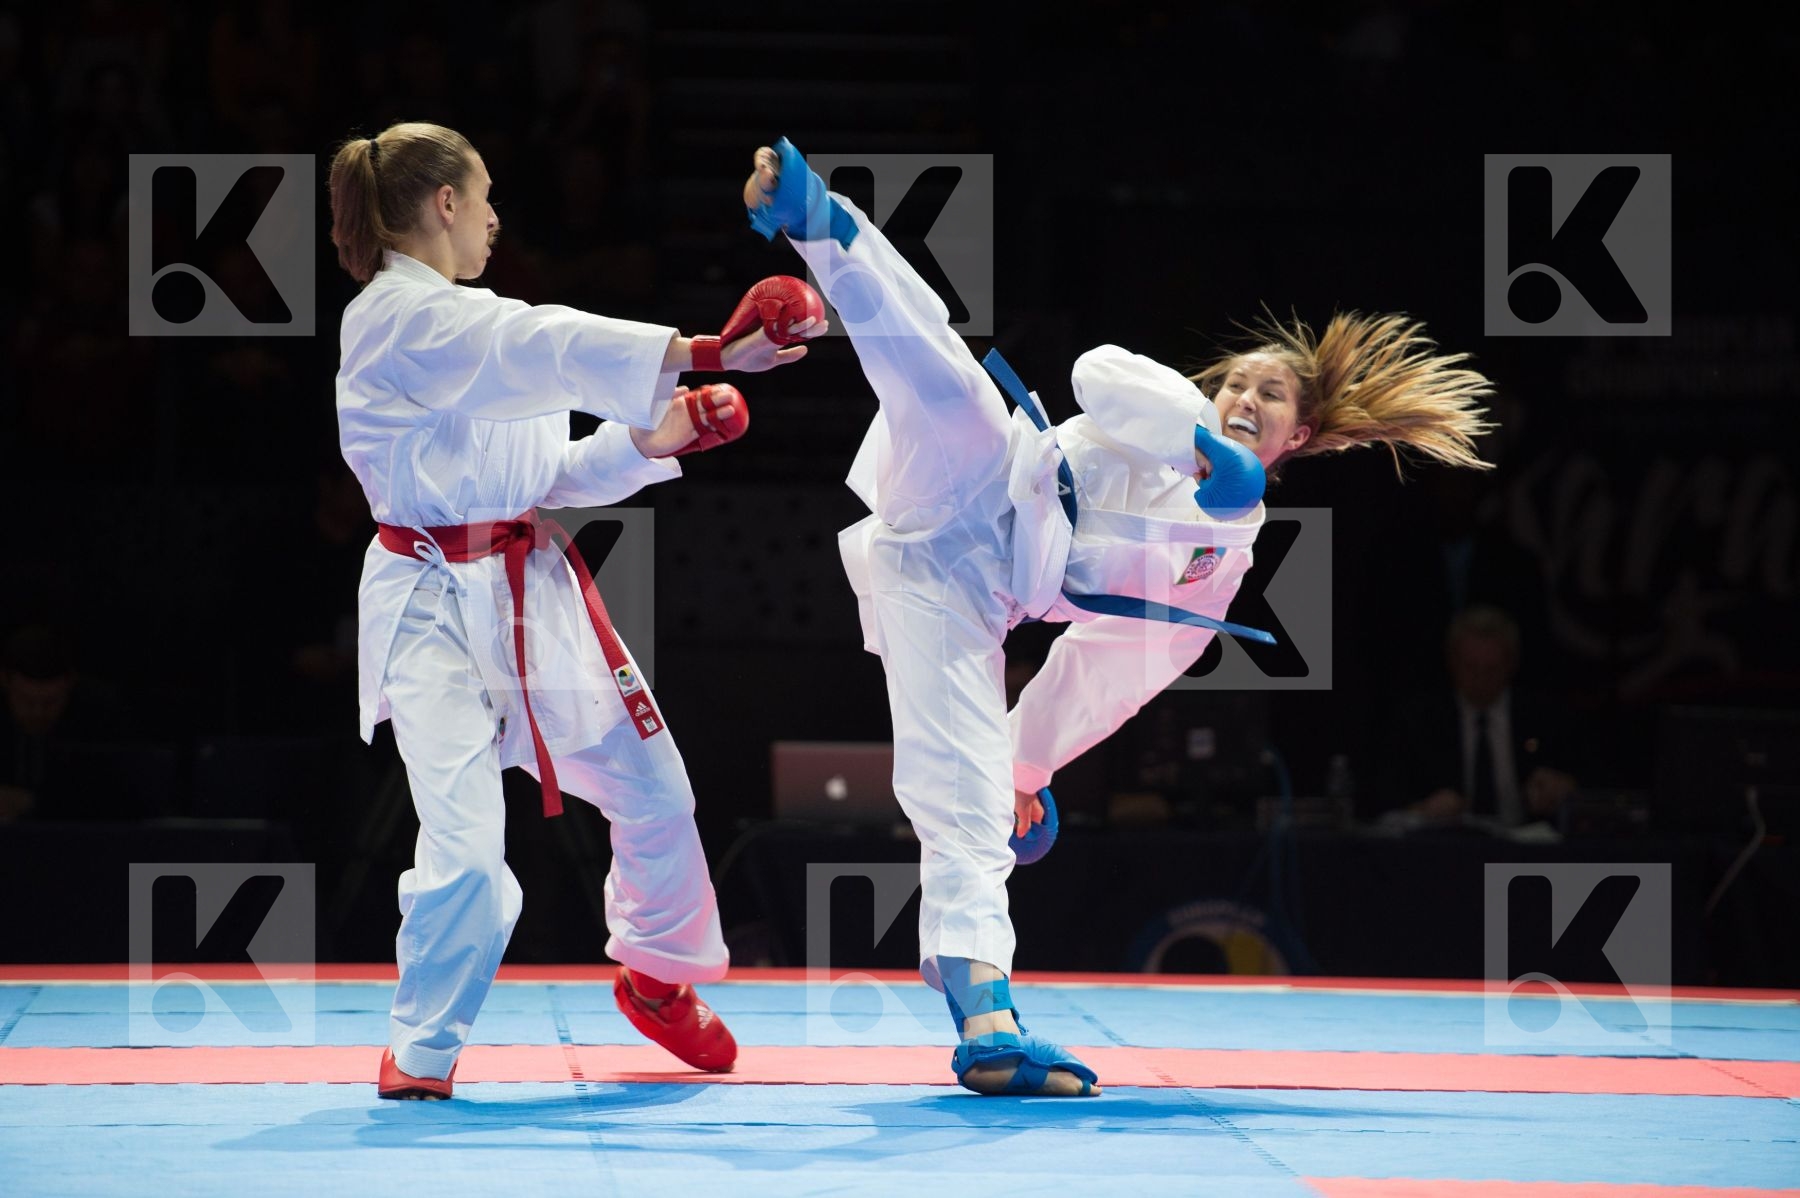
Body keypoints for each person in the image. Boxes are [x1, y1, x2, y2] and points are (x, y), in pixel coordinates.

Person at [742, 137, 1494, 1096]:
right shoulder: (1172, 406)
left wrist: (1025, 765)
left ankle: (988, 1032)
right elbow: (1096, 371)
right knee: (942, 373)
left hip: (957, 591)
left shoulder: (1217, 569)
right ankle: (821, 220)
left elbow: (1111, 671)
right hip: (979, 473)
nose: (1243, 397)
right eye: (1239, 380)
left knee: (965, 804)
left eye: (1270, 396)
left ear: (1299, 437)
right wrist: (1190, 445)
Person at [329, 122, 823, 1100]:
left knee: (657, 795)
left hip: (532, 588)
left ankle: (657, 978)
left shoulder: (472, 334)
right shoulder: (394, 317)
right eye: (486, 196)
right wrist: (706, 349)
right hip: (432, 605)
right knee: (467, 849)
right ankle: (422, 1045)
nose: (496, 217)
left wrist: (655, 439)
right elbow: (540, 340)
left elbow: (549, 472)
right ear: (444, 204)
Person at [1384, 604, 1580, 828]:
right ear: (1452, 662)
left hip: (1528, 853)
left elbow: (1592, 783)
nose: (1480, 680)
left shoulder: (1545, 717)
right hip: (1446, 851)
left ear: (1511, 664)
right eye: (1471, 667)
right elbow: (1386, 798)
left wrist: (1564, 788)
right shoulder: (1420, 721)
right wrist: (1422, 810)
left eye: (1491, 669)